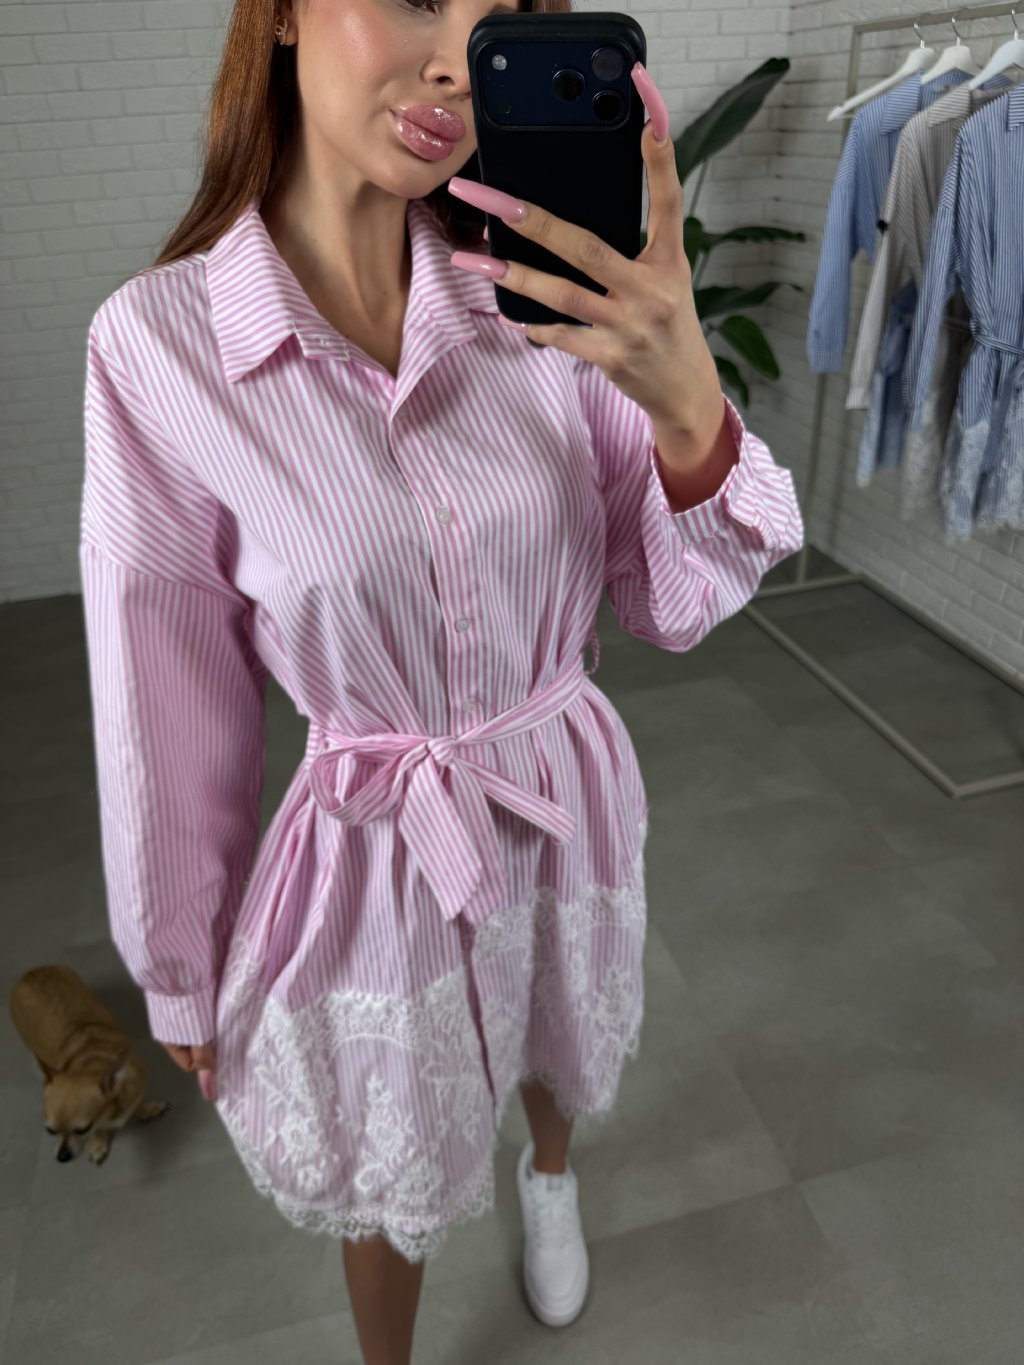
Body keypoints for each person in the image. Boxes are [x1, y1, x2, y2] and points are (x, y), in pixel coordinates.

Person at [78, 1, 805, 1362]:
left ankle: (550, 1174)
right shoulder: (160, 350)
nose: (456, 62)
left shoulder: (540, 290)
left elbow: (668, 598)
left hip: (559, 786)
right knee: (390, 1157)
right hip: (375, 846)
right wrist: (180, 960)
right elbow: (163, 692)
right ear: (281, 11)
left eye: (503, 13)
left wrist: (687, 401)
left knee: (556, 1020)